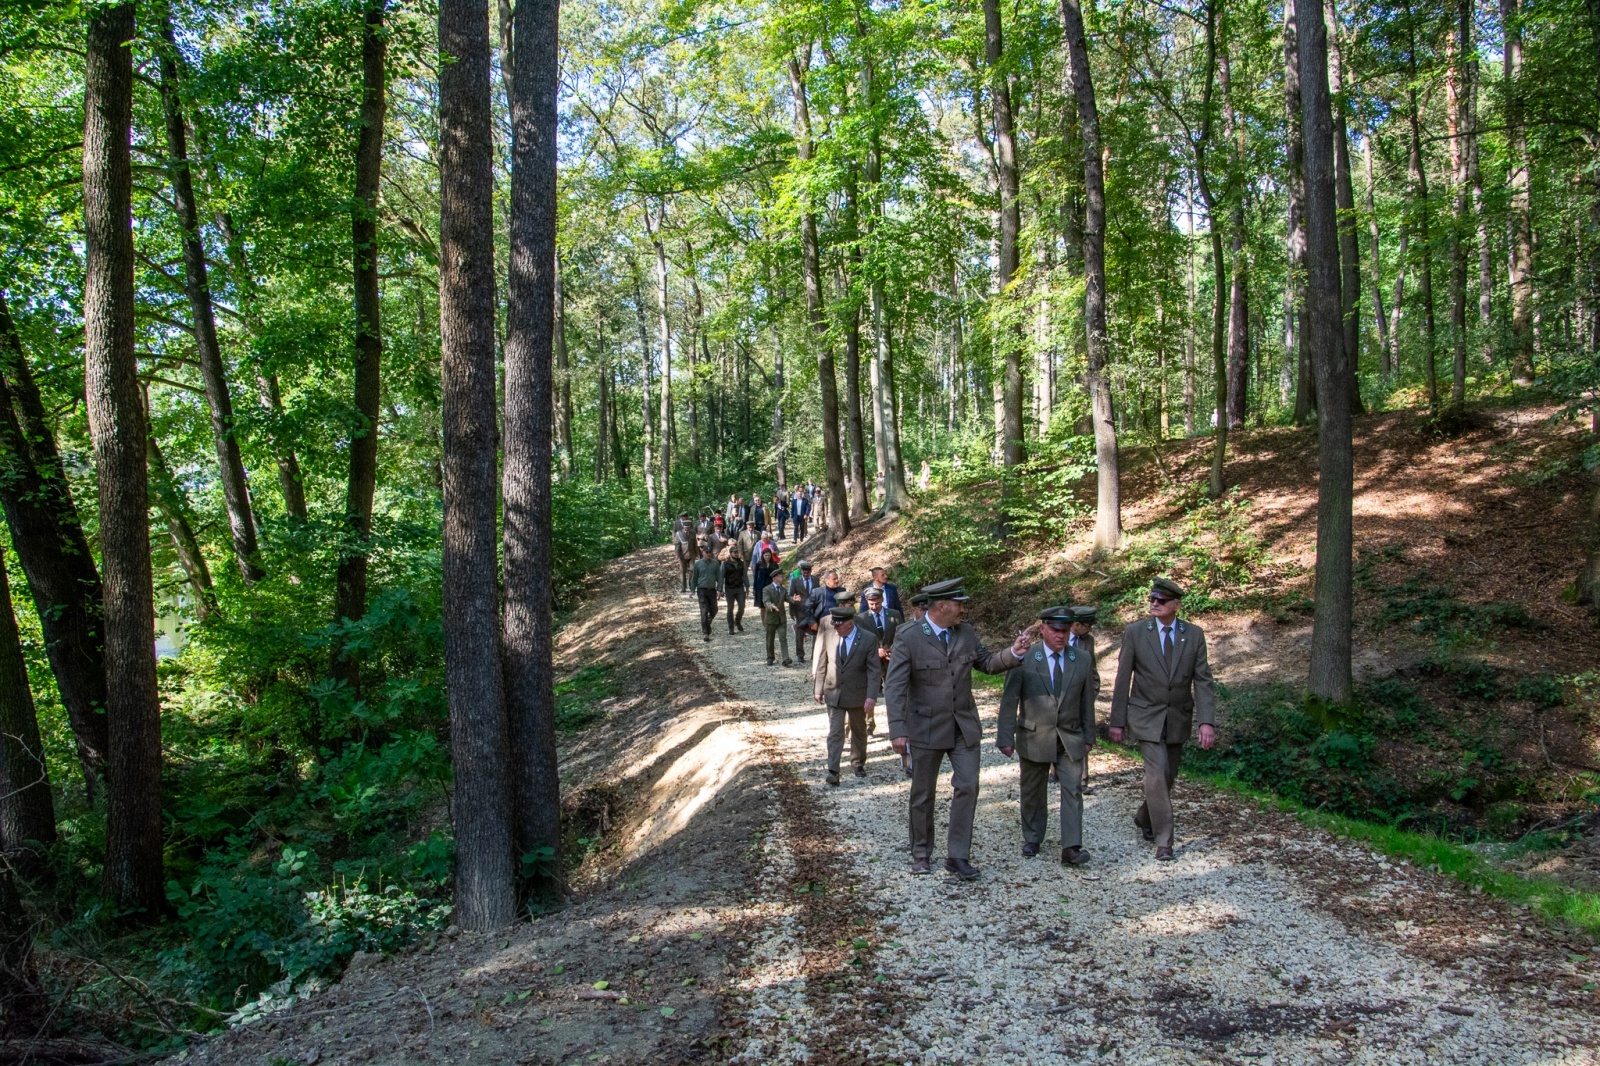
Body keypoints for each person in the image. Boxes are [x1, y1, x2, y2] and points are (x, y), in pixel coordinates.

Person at [885, 578, 1031, 880]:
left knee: (968, 787)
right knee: (923, 794)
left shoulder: (965, 632)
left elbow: (987, 663)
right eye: (959, 604)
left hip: (963, 727)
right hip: (924, 728)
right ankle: (922, 853)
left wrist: (1014, 653)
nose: (963, 609)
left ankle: (958, 856)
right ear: (941, 606)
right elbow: (895, 687)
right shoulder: (909, 636)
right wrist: (898, 729)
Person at [1109, 577, 1217, 861]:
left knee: (1167, 777)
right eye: (1152, 600)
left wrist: (1207, 721)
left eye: (1162, 601)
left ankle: (1145, 816)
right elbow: (1122, 678)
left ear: (1176, 605)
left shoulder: (1193, 635)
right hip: (1145, 715)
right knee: (1156, 775)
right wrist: (1117, 720)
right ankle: (1164, 840)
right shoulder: (1135, 632)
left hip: (1177, 717)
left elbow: (1203, 680)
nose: (1155, 604)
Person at [998, 607, 1097, 866]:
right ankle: (1032, 836)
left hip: (1070, 735)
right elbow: (1010, 699)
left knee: (1073, 789)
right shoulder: (1025, 658)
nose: (1060, 636)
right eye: (1055, 630)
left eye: (1065, 631)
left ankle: (1072, 847)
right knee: (1032, 789)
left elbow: (1087, 701)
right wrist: (1005, 737)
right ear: (1042, 629)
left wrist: (1089, 735)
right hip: (1034, 734)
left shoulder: (1082, 659)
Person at [814, 606, 881, 784]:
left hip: (858, 694)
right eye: (834, 624)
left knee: (859, 731)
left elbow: (874, 671)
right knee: (835, 732)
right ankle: (833, 770)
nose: (835, 628)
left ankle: (858, 763)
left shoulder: (868, 639)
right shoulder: (830, 636)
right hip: (834, 692)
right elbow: (823, 662)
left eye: (839, 625)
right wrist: (818, 688)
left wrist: (871, 696)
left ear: (850, 624)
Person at [857, 587, 902, 735]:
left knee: (894, 693)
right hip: (872, 661)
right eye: (871, 604)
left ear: (882, 600)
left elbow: (901, 634)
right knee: (869, 693)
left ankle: (896, 724)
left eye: (876, 603)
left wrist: (893, 649)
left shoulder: (894, 615)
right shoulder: (862, 619)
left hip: (892, 660)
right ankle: (869, 725)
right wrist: (876, 650)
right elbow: (861, 639)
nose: (874, 606)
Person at [1069, 605, 1100, 794]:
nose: (1089, 630)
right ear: (1076, 624)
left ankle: (1082, 780)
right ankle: (1055, 770)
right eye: (1087, 625)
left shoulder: (1088, 641)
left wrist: (1093, 691)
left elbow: (1093, 668)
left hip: (1081, 695)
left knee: (1083, 734)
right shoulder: (1058, 636)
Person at [690, 544, 723, 642]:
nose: (709, 554)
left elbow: (719, 577)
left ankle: (707, 623)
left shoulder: (715, 563)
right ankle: (706, 633)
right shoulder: (698, 564)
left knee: (714, 609)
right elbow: (694, 578)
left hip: (712, 590)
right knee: (704, 611)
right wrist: (692, 590)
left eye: (710, 552)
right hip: (702, 590)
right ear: (703, 553)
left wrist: (720, 589)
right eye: (707, 552)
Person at [788, 561, 819, 660]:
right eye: (804, 572)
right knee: (800, 631)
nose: (806, 574)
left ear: (811, 571)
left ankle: (814, 654)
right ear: (801, 571)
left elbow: (818, 594)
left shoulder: (815, 580)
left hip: (813, 610)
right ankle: (800, 655)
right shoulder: (795, 581)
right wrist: (792, 610)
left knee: (815, 631)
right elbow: (790, 596)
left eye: (808, 572)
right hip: (800, 610)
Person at [761, 569, 792, 666]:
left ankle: (785, 658)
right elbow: (766, 601)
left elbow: (787, 598)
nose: (782, 578)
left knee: (783, 638)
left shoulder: (783, 589)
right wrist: (771, 606)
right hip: (771, 618)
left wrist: (794, 599)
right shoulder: (767, 589)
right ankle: (770, 657)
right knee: (770, 639)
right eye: (780, 576)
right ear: (775, 578)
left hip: (781, 618)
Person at [721, 545, 748, 634]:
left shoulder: (742, 563)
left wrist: (747, 586)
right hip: (729, 588)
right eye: (735, 552)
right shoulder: (725, 564)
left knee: (742, 606)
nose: (737, 554)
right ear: (731, 553)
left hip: (740, 587)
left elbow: (744, 575)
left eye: (737, 552)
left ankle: (737, 621)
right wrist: (720, 589)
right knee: (730, 608)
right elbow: (721, 577)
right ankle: (731, 627)